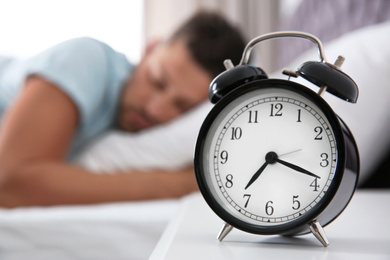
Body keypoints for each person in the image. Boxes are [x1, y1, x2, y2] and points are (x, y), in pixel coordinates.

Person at [0, 11, 246, 207]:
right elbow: (9, 183)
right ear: (150, 49)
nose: (155, 109)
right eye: (157, 81)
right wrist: (178, 185)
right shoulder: (85, 59)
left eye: (183, 107)